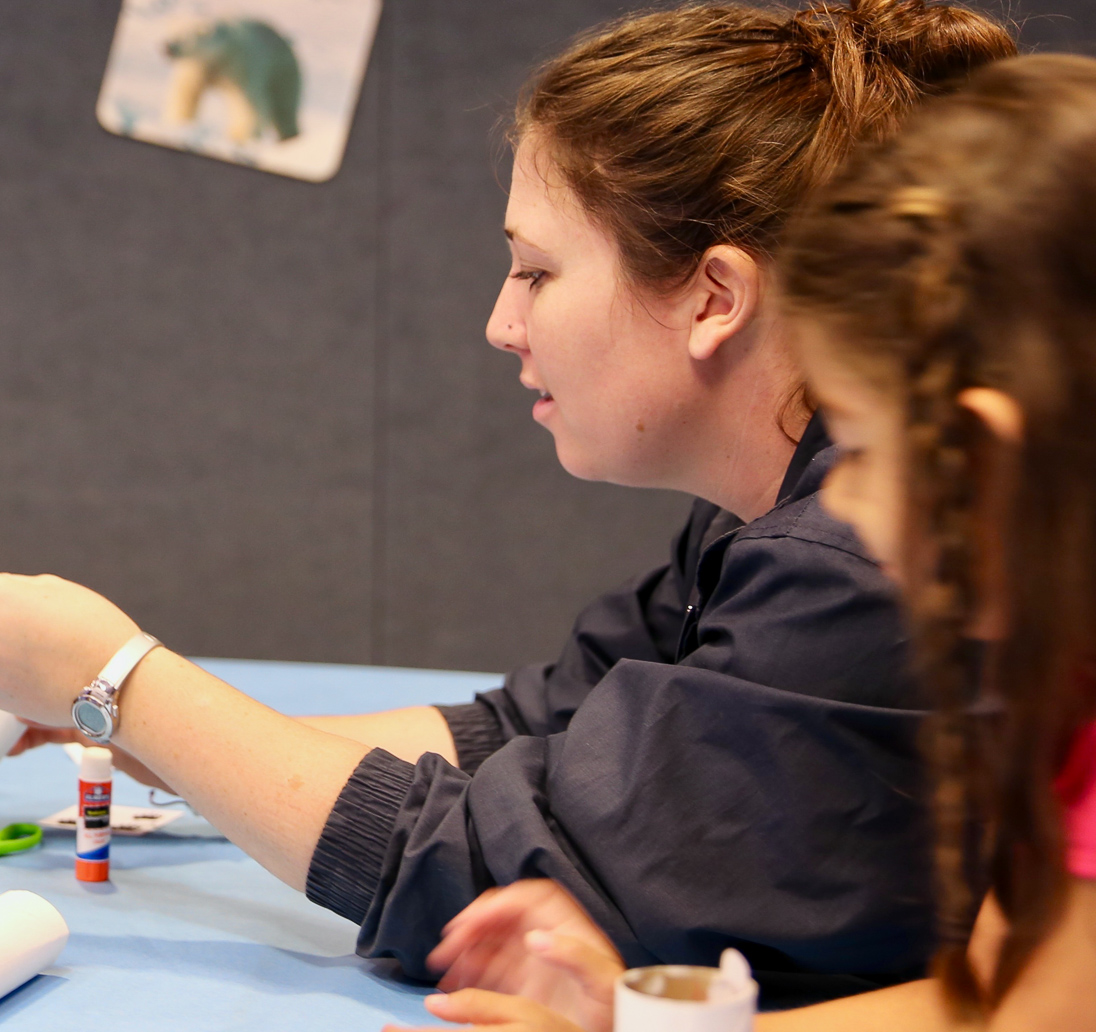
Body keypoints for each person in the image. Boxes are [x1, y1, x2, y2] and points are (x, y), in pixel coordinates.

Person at [0, 0, 1014, 1004]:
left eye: (536, 273)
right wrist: (135, 725)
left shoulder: (857, 565)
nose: (502, 324)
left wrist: (123, 680)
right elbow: (524, 734)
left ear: (715, 297)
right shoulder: (764, 514)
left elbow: (496, 876)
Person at [397, 52, 1096, 1032]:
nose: (838, 496)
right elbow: (1002, 1007)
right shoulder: (1060, 692)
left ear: (977, 457)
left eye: (859, 443)